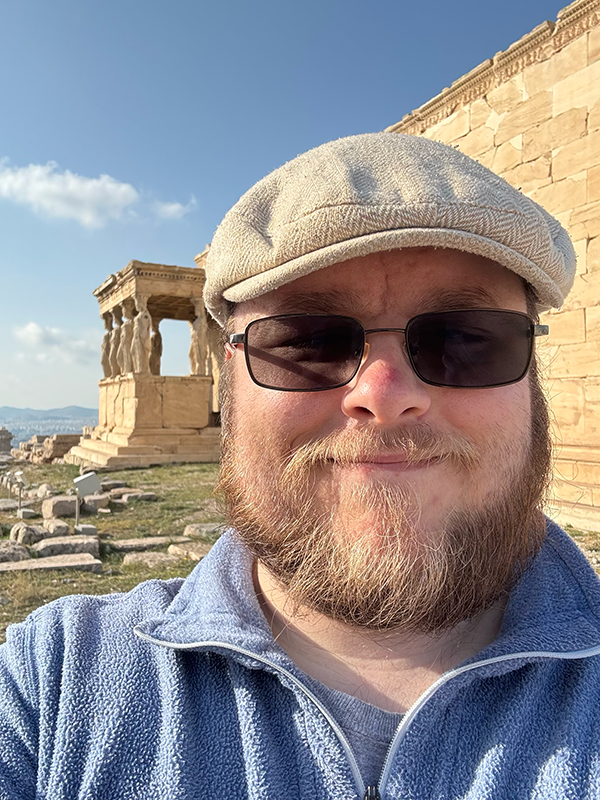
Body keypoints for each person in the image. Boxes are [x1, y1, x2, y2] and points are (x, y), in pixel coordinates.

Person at [1, 133, 598, 800]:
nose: (384, 395)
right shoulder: (52, 686)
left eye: (464, 338)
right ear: (229, 378)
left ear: (533, 377)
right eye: (307, 342)